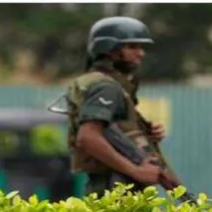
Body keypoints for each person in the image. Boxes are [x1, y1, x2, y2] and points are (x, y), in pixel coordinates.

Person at [65, 16, 184, 196]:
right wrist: (137, 172)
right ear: (109, 49)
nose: (141, 53)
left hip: (114, 184)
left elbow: (112, 129)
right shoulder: (106, 87)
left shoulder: (105, 83)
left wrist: (145, 133)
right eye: (132, 47)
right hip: (115, 186)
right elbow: (88, 137)